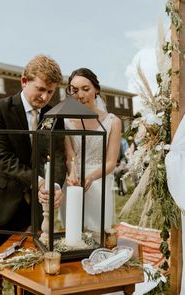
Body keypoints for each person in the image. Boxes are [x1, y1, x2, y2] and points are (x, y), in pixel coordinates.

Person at [0, 55, 66, 295]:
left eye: (51, 92)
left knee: (30, 273)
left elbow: (57, 157)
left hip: (34, 209)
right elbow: (2, 159)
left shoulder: (54, 116)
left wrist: (55, 185)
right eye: (41, 89)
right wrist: (41, 181)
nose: (45, 97)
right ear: (24, 81)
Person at [60, 68, 121, 233]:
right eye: (75, 90)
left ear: (96, 90)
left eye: (85, 89)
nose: (80, 95)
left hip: (98, 182)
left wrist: (92, 176)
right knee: (72, 233)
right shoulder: (65, 122)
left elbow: (111, 162)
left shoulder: (112, 122)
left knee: (97, 233)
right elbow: (70, 155)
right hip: (73, 183)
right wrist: (72, 174)